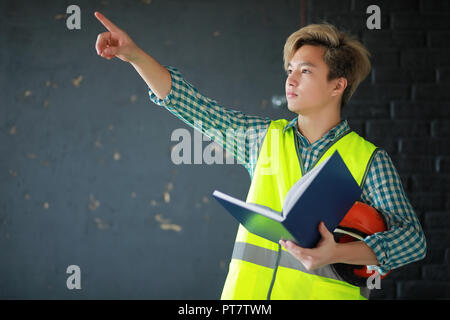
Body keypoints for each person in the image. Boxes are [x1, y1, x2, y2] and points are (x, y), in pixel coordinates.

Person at [94, 11, 426, 300]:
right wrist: (134, 55)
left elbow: (412, 240)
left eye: (305, 71)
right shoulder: (262, 141)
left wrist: (336, 252)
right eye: (289, 70)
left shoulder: (368, 161)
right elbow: (191, 104)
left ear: (337, 86)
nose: (290, 80)